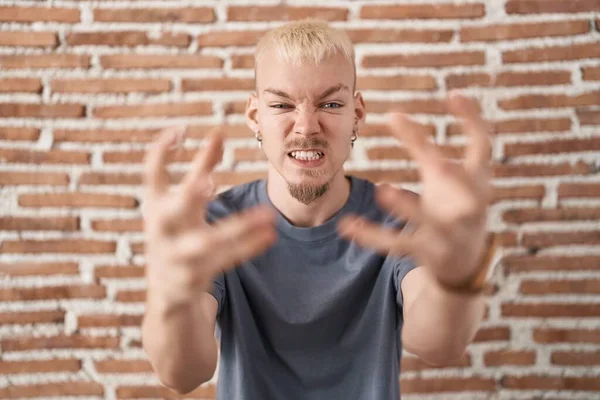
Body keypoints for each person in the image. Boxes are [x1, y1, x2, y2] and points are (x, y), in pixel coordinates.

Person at [140, 20, 497, 400]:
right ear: (254, 115)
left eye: (330, 104)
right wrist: (170, 297)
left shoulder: (403, 219)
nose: (307, 126)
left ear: (357, 114)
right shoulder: (213, 226)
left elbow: (437, 345)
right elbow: (182, 374)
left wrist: (459, 279)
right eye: (281, 104)